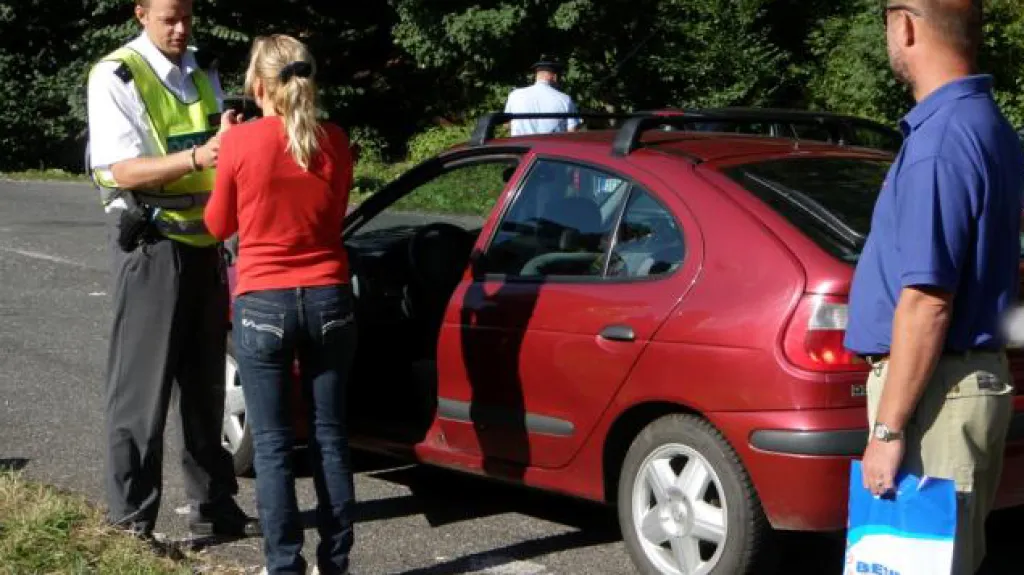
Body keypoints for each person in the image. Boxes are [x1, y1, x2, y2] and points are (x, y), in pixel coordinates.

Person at [844, 1, 1024, 573]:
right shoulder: (988, 124)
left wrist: (889, 429)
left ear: (907, 25)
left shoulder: (941, 140)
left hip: (933, 395)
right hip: (957, 381)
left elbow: (926, 302)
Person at [85, 0, 259, 541]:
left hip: (206, 244)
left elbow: (216, 142)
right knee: (140, 397)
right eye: (168, 18)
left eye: (186, 16)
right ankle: (131, 524)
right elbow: (117, 170)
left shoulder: (201, 67)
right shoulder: (117, 74)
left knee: (205, 392)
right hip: (152, 246)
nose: (180, 28)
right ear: (140, 14)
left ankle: (216, 509)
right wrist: (199, 159)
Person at [204, 34, 358, 575]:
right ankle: (335, 563)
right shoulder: (336, 140)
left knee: (271, 444)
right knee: (330, 438)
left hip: (263, 299)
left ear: (256, 84)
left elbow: (218, 225)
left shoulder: (243, 143)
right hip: (329, 296)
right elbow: (334, 217)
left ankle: (284, 564)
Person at [503, 56, 581, 136]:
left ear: (536, 75)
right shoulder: (565, 99)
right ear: (555, 77)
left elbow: (506, 124)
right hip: (551, 147)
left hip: (521, 147)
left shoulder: (515, 95)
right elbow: (572, 131)